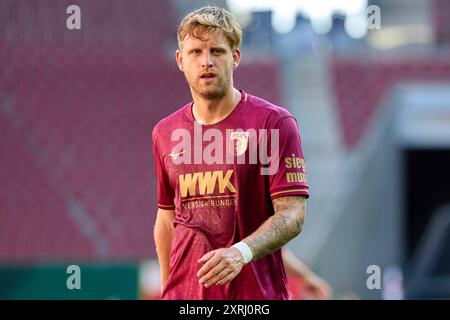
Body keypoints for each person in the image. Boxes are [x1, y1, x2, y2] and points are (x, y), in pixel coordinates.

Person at [152, 6, 310, 299]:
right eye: (195, 52)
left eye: (217, 51)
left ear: (235, 57)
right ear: (180, 60)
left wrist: (242, 252)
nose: (206, 61)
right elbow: (166, 220)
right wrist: (168, 291)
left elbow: (293, 214)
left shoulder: (273, 124)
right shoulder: (164, 132)